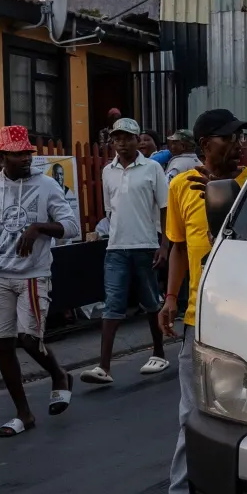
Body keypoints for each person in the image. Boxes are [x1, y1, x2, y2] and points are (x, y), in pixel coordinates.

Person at [151, 109, 247, 494]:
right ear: (205, 144)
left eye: (239, 137)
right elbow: (177, 247)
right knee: (192, 411)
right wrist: (171, 297)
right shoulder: (180, 186)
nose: (237, 145)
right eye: (229, 137)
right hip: (201, 317)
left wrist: (222, 195)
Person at [0, 125, 76, 435]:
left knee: (28, 338)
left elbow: (71, 226)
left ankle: (59, 374)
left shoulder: (47, 185)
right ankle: (23, 414)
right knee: (1, 343)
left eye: (27, 153)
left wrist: (38, 227)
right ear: (2, 157)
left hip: (33, 275)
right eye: (17, 154)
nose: (25, 159)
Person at [81, 119, 171, 386]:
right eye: (117, 138)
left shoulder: (152, 168)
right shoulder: (108, 171)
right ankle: (104, 366)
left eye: (127, 138)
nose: (121, 143)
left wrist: (164, 244)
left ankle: (159, 352)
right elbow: (110, 210)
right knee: (113, 304)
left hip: (146, 244)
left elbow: (165, 207)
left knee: (151, 303)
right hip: (116, 247)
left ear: (136, 140)